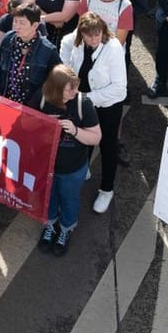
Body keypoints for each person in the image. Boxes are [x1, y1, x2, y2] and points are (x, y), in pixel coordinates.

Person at [59, 12, 127, 215]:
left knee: (107, 146)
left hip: (108, 106)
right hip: (83, 100)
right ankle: (83, 169)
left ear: (103, 32)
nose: (93, 39)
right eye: (89, 36)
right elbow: (65, 45)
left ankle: (106, 189)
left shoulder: (114, 49)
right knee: (82, 139)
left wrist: (88, 97)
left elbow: (120, 89)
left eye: (97, 35)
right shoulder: (77, 39)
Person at [38, 64, 101, 258]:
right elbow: (25, 123)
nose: (75, 91)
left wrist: (74, 130)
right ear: (56, 90)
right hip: (47, 167)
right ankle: (50, 225)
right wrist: (44, 122)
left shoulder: (83, 103)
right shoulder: (42, 99)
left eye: (76, 86)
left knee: (69, 200)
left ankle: (65, 230)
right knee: (49, 198)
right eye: (69, 88)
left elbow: (96, 137)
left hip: (73, 169)